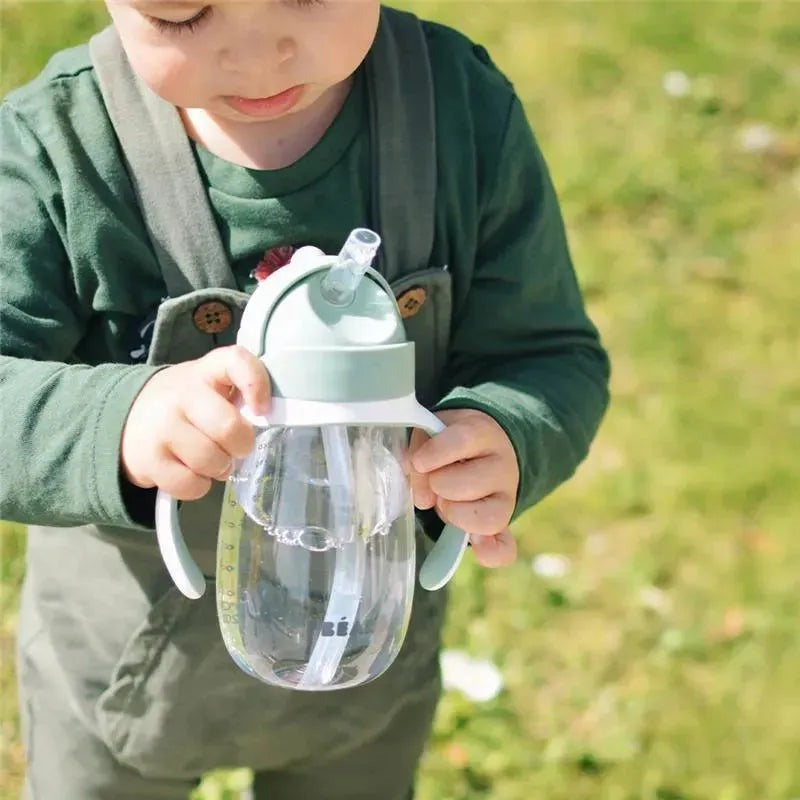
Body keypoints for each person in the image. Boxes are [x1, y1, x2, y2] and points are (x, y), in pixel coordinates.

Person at [0, 1, 610, 798]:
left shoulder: (457, 114)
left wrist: (507, 433)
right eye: (183, 15)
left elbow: (548, 355)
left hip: (365, 664)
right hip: (125, 678)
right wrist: (123, 420)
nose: (258, 56)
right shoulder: (59, 148)